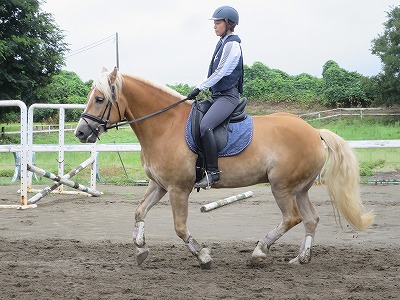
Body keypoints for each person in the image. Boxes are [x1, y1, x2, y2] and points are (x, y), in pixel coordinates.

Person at [187, 5, 244, 189]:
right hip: (218, 96)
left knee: (206, 126)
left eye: (218, 23)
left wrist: (199, 88)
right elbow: (213, 72)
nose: (215, 26)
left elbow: (220, 72)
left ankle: (212, 173)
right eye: (215, 23)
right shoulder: (222, 42)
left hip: (228, 97)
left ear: (228, 24)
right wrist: (201, 88)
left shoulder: (232, 44)